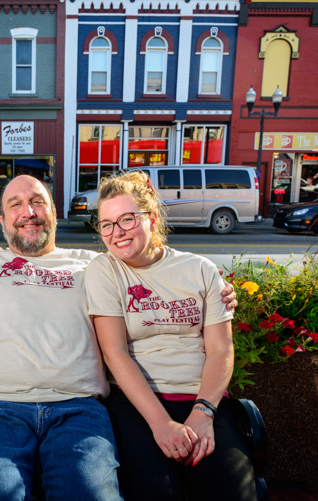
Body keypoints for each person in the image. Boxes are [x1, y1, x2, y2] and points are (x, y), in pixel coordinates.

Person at [0, 175, 237, 500]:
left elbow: (154, 268)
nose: (28, 212)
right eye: (15, 204)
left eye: (37, 201)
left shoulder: (96, 266)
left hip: (79, 409)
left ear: (53, 212)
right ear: (1, 221)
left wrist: (215, 292)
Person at [84, 170, 256, 500]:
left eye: (127, 219)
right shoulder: (105, 270)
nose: (116, 232)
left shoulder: (201, 270)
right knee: (156, 491)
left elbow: (221, 350)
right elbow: (115, 353)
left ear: (151, 218)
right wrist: (161, 424)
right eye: (106, 224)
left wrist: (204, 412)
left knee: (234, 490)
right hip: (139, 402)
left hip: (204, 400)